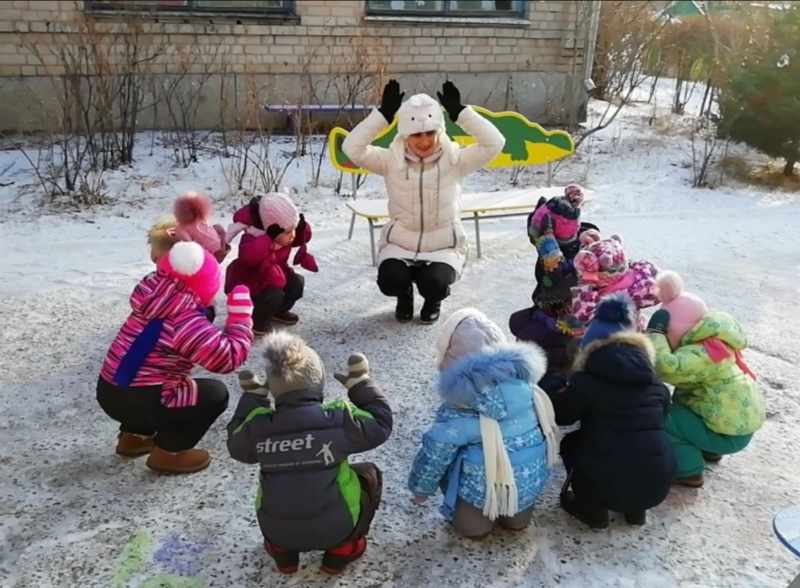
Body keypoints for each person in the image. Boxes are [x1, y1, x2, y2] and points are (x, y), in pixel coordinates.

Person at [227, 334, 392, 575]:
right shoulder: (338, 419)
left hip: (276, 530)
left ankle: (284, 556)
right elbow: (381, 424)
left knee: (281, 494)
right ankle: (341, 552)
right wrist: (361, 386)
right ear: (319, 381)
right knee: (370, 474)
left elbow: (235, 443)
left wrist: (253, 399)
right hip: (338, 527)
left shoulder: (259, 427)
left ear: (273, 389)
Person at [343, 79, 505, 324]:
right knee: (390, 281)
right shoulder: (390, 162)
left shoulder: (455, 160)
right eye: (416, 134)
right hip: (401, 242)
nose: (424, 140)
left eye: (430, 132)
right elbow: (352, 148)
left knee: (435, 283)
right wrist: (383, 115)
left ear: (439, 131)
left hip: (443, 245)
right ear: (405, 135)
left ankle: (433, 299)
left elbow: (495, 142)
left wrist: (460, 113)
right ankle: (404, 294)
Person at [97, 242, 253, 473]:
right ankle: (171, 452)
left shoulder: (155, 301)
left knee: (149, 382)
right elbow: (227, 359)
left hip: (109, 392)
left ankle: (135, 438)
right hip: (144, 400)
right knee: (213, 394)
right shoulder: (184, 321)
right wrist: (240, 318)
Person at [408, 308, 557, 538]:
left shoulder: (460, 409)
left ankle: (477, 527)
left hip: (482, 493)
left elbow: (436, 452)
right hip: (529, 484)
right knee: (518, 513)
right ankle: (516, 520)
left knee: (472, 528)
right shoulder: (529, 390)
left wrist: (421, 489)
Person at [549, 294, 675, 529]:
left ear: (590, 348)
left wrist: (555, 387)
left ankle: (594, 511)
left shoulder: (586, 383)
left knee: (571, 444)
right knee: (641, 445)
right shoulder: (658, 387)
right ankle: (636, 512)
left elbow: (562, 417)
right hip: (657, 486)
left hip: (605, 483)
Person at [646, 271, 765, 487]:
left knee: (663, 419)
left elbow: (667, 368)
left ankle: (688, 471)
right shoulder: (717, 341)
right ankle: (709, 449)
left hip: (726, 432)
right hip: (734, 424)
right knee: (688, 409)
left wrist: (655, 334)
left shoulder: (702, 353)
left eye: (667, 333)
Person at [224, 192, 318, 336]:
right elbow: (248, 257)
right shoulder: (253, 237)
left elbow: (302, 238)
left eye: (293, 229)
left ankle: (277, 311)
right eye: (288, 232)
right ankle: (257, 320)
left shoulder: (284, 238)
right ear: (272, 230)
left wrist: (302, 227)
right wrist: (267, 240)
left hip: (276, 276)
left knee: (296, 283)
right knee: (274, 294)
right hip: (252, 285)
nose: (292, 235)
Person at [173, 191, 229, 262]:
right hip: (220, 248)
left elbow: (188, 243)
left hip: (208, 256)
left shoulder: (181, 228)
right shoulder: (201, 219)